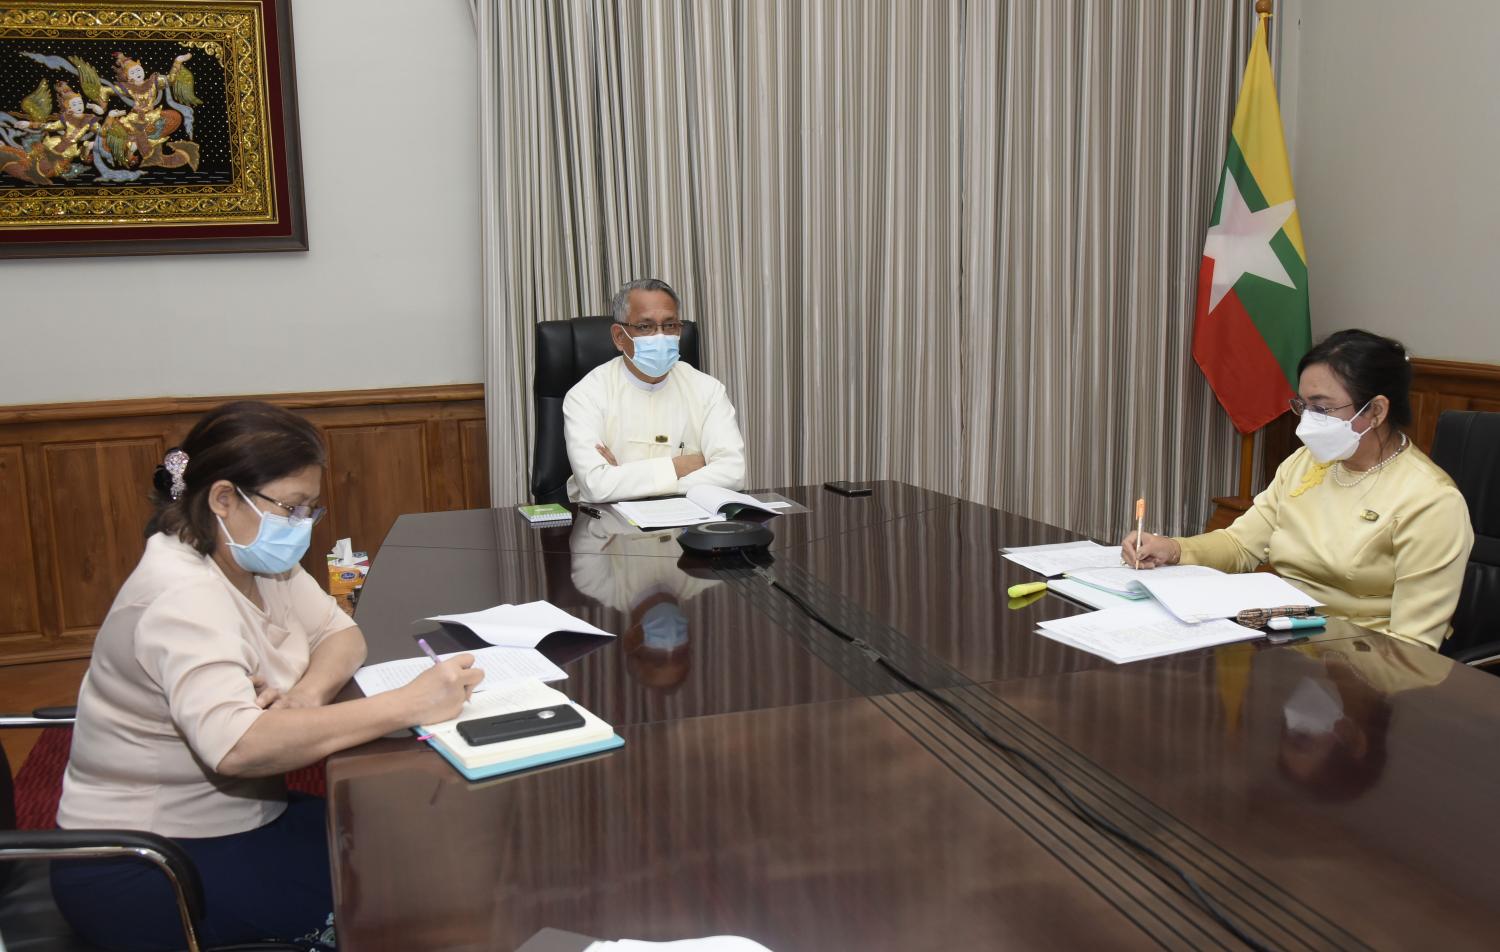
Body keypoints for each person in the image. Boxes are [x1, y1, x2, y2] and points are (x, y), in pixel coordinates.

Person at [51, 401, 483, 952]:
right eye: (292, 508)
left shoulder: (254, 559)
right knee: (402, 898)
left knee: (415, 843)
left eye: (309, 510)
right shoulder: (180, 595)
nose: (301, 526)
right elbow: (238, 747)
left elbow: (342, 636)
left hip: (239, 817)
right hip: (149, 862)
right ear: (224, 499)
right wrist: (407, 704)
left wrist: (304, 699)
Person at [1123, 329, 1473, 651]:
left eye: (1322, 408)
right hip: (1286, 640)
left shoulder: (1431, 500)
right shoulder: (1307, 463)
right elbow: (1240, 545)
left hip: (1365, 662)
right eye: (1303, 406)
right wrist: (1172, 548)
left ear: (1377, 411)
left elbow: (1411, 645)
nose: (1307, 421)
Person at [562, 278, 746, 503]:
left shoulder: (708, 390)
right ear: (620, 337)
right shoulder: (586, 395)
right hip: (608, 522)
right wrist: (678, 467)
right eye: (645, 327)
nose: (660, 336)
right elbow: (596, 485)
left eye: (670, 325)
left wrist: (625, 480)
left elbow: (733, 473)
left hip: (685, 518)